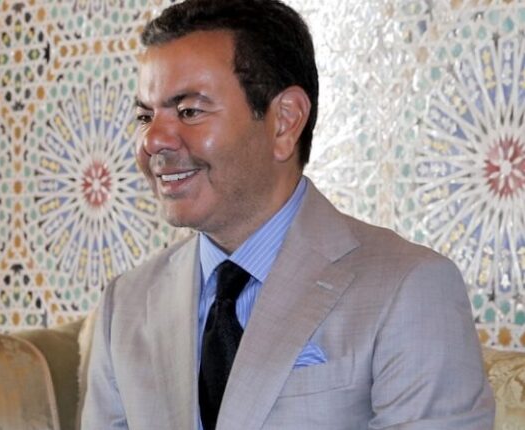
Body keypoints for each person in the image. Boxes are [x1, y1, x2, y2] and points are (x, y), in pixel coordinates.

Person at [81, 0, 495, 428]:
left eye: (189, 111)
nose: (153, 141)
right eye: (145, 115)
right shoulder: (125, 305)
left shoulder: (410, 288)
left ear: (284, 121)